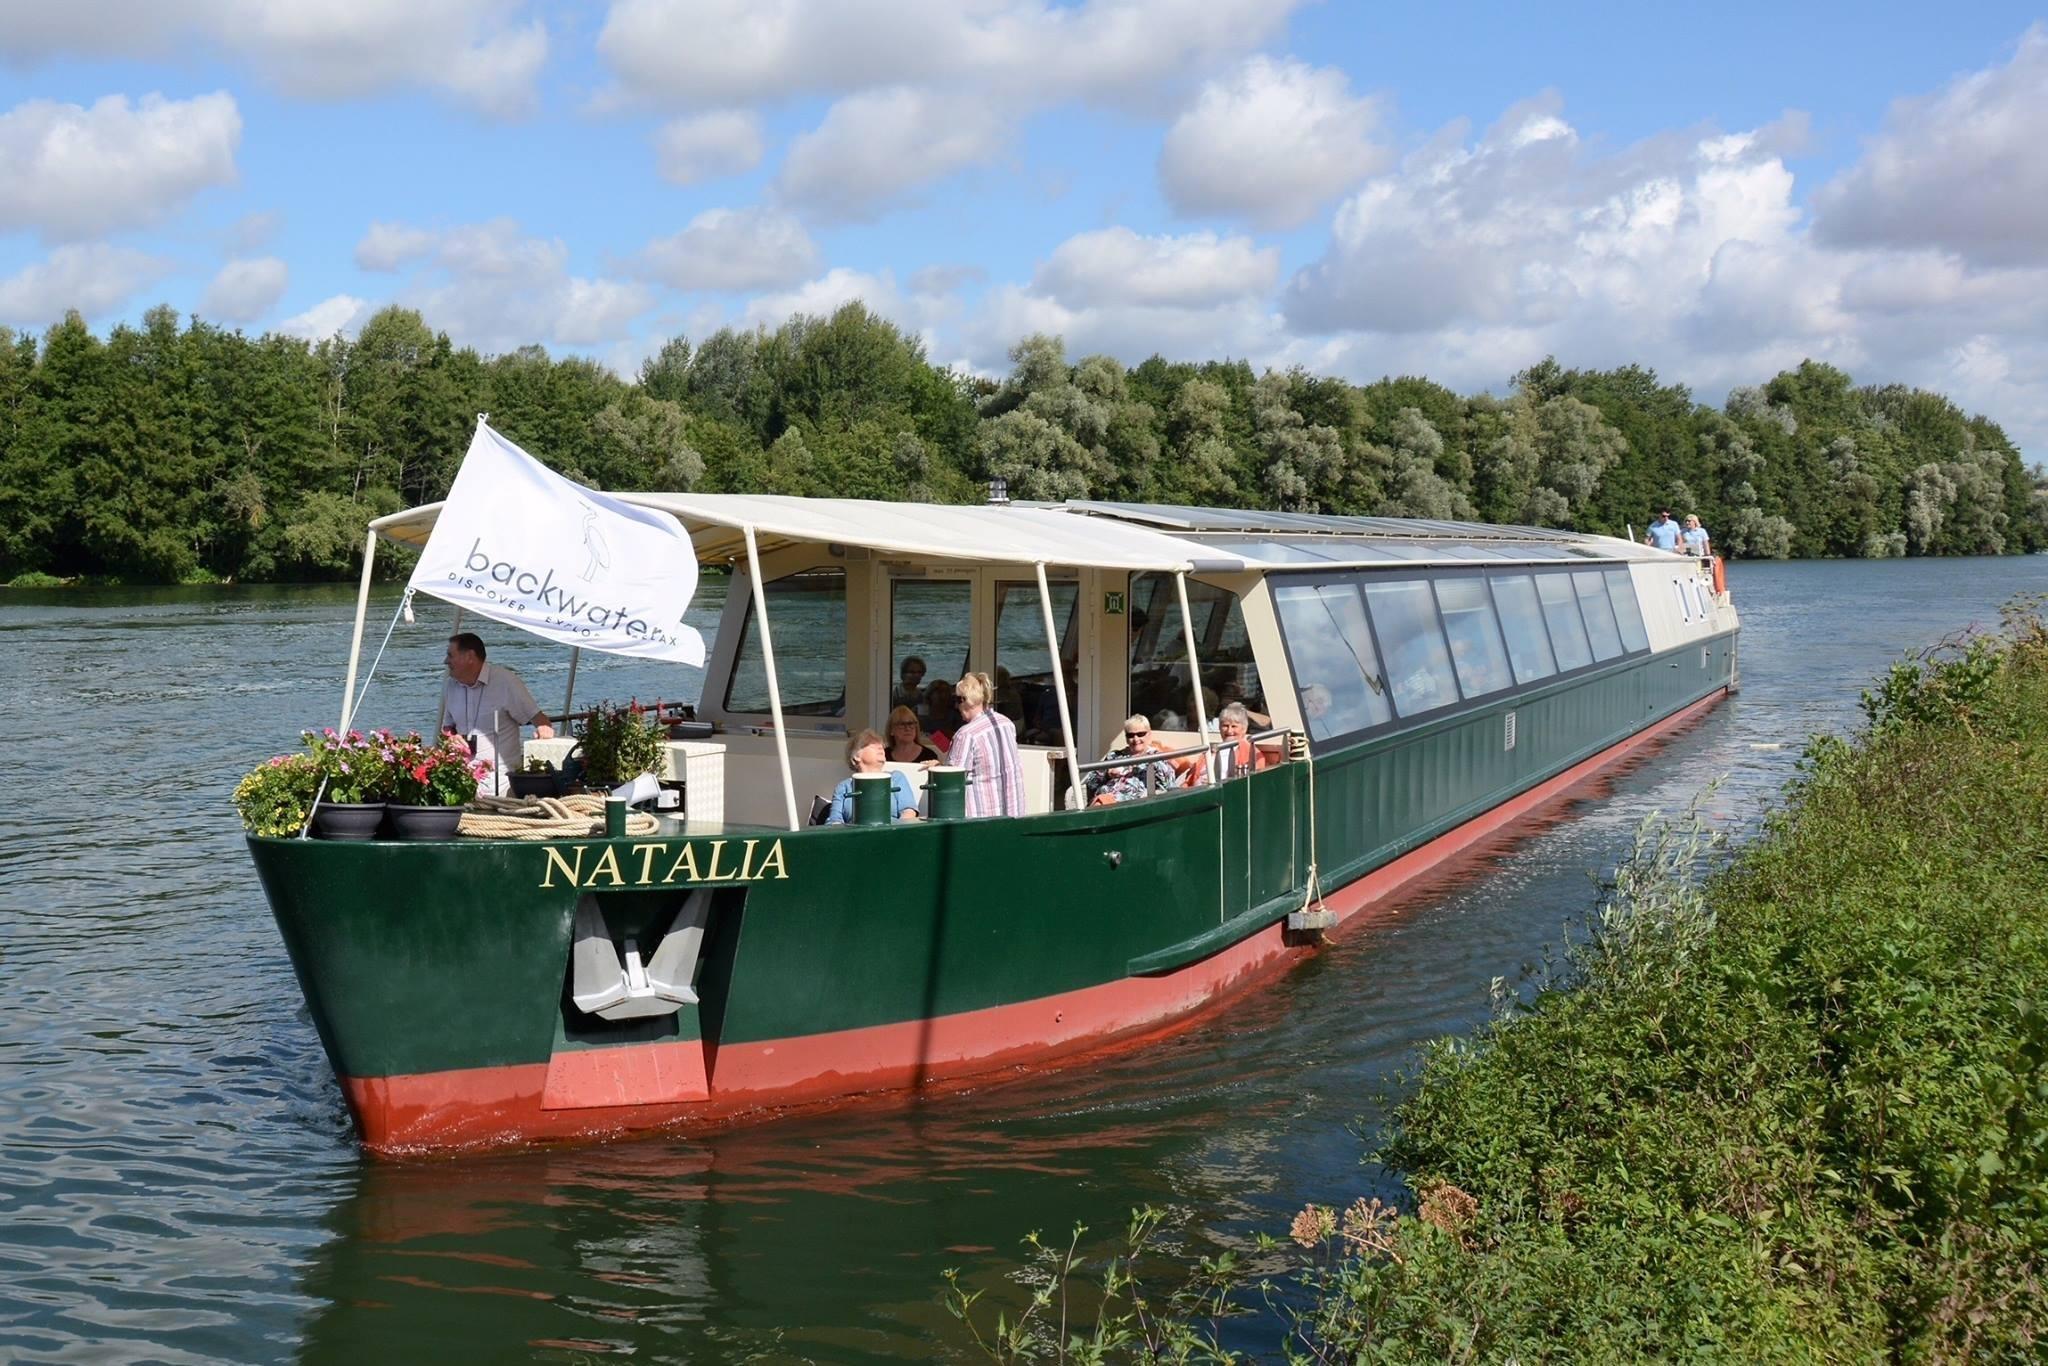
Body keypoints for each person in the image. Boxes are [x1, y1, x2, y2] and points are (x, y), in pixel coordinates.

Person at [441, 633, 553, 795]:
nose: (446, 661)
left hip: (500, 785)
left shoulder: (505, 681)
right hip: (461, 781)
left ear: (470, 656)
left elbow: (539, 719)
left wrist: (544, 730)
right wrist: (451, 738)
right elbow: (447, 728)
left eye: (450, 655)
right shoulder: (450, 685)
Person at [951, 672, 1024, 818]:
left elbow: (952, 779)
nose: (955, 705)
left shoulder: (966, 734)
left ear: (965, 700)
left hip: (981, 815)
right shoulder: (1006, 723)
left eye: (957, 700)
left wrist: (938, 766)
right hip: (1014, 812)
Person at [824, 729, 921, 824]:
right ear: (856, 756)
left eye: (881, 746)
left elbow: (909, 812)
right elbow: (834, 821)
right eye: (872, 745)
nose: (880, 748)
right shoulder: (844, 786)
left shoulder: (896, 778)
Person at [1085, 714, 1177, 805]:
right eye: (1130, 735)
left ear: (1149, 735)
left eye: (1140, 734)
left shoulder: (1155, 757)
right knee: (1100, 801)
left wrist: (1153, 761)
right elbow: (1091, 784)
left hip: (1129, 804)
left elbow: (1169, 785)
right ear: (1126, 738)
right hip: (1103, 798)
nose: (1136, 739)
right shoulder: (1114, 756)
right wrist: (1106, 774)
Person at [1208, 702, 1273, 781]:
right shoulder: (1212, 750)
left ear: (1244, 729)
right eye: (1225, 726)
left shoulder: (1251, 754)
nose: (1229, 730)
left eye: (1234, 726)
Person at [922, 678, 959, 754]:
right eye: (939, 692)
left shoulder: (955, 716)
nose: (943, 695)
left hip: (947, 751)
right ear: (930, 694)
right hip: (923, 748)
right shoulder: (921, 712)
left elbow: (958, 739)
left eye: (946, 692)